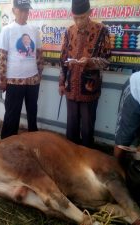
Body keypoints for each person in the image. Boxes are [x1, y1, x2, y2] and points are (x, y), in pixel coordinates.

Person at [58, 0, 111, 148]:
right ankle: (71, 161)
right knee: (71, 128)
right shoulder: (69, 31)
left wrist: (90, 61)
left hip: (89, 89)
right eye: (75, 18)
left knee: (87, 129)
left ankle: (88, 160)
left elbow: (107, 60)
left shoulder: (101, 31)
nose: (79, 21)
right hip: (71, 88)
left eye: (82, 17)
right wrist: (61, 83)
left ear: (90, 13)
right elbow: (62, 59)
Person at [0, 0, 43, 139]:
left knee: (32, 113)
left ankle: (33, 143)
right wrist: (2, 79)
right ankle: (7, 145)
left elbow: (40, 54)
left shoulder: (34, 30)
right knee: (12, 115)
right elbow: (2, 56)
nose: (24, 13)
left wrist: (39, 75)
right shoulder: (7, 30)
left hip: (32, 80)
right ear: (14, 10)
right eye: (21, 10)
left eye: (26, 10)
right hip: (14, 80)